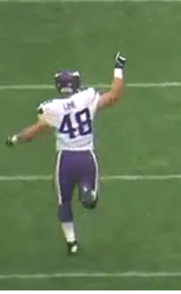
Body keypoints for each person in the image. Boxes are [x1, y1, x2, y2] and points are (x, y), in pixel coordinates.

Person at [5, 53, 127, 255]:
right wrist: (118, 67)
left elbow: (34, 132)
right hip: (87, 157)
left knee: (64, 202)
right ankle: (89, 193)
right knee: (89, 199)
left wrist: (15, 139)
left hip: (66, 160)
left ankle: (72, 243)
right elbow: (114, 95)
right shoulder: (86, 97)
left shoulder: (51, 108)